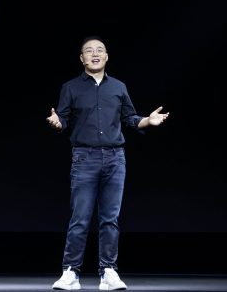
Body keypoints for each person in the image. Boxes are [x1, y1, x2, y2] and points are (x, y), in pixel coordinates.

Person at [47, 36, 170, 291]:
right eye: (89, 51)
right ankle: (70, 272)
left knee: (110, 219)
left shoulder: (118, 87)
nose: (95, 53)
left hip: (115, 159)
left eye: (100, 50)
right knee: (80, 218)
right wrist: (58, 123)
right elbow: (63, 120)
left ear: (106, 57)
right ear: (82, 58)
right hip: (84, 158)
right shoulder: (70, 88)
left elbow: (130, 118)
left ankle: (109, 272)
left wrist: (148, 121)